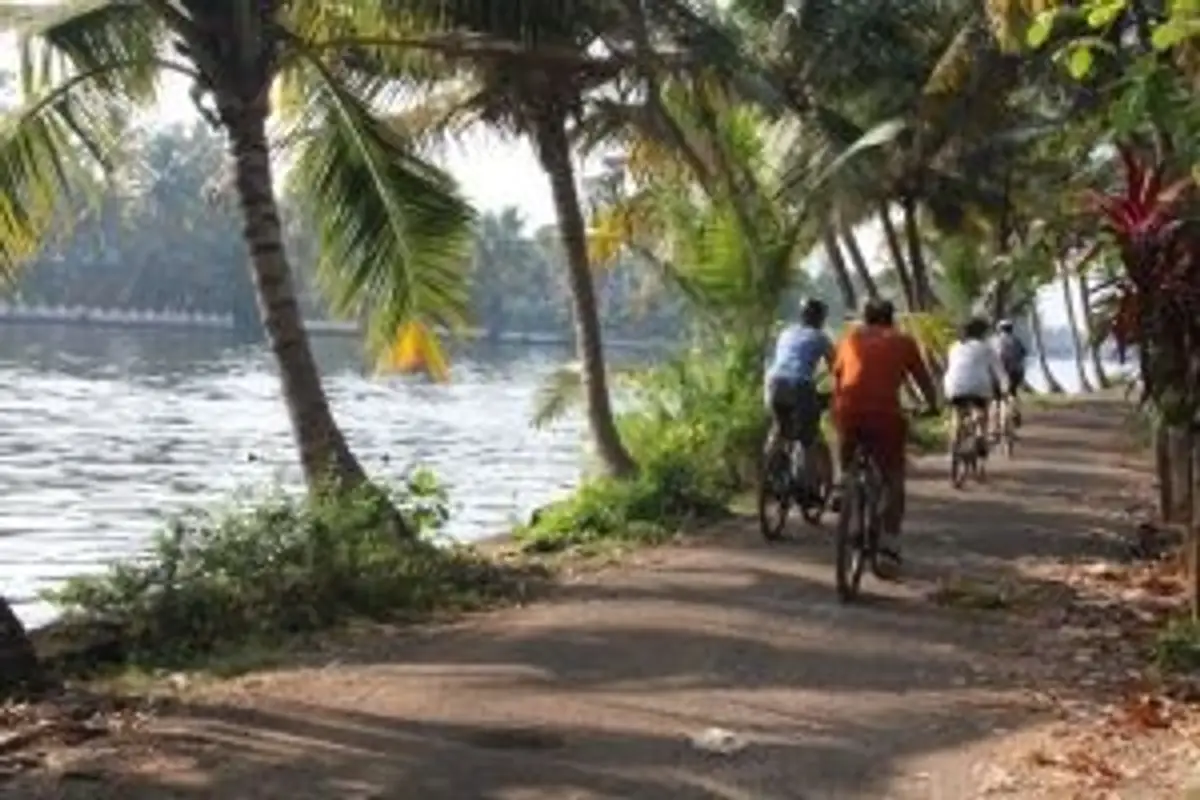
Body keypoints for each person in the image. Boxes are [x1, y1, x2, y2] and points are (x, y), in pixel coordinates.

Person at [831, 298, 938, 578]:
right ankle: (888, 545)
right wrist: (933, 406)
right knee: (893, 477)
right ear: (891, 320)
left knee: (845, 430)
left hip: (848, 413)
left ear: (864, 320)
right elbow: (924, 381)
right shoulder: (903, 342)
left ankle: (842, 482)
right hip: (885, 417)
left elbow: (839, 378)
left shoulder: (848, 340)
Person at [764, 298, 835, 492]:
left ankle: (769, 473)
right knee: (809, 438)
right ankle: (810, 487)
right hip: (799, 385)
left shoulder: (786, 333)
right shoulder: (820, 337)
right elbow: (837, 368)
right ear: (820, 318)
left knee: (779, 428)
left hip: (774, 383)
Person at [944, 317, 1009, 458]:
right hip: (979, 385)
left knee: (957, 413)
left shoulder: (953, 346)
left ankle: (953, 445)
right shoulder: (986, 348)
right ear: (981, 333)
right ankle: (980, 433)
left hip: (954, 385)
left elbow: (952, 367)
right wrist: (1005, 389)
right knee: (982, 410)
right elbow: (1000, 372)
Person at [992, 319, 1028, 427]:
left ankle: (995, 423)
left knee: (996, 398)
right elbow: (1023, 353)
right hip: (1015, 373)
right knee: (1013, 393)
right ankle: (1015, 410)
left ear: (999, 329)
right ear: (1011, 329)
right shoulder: (1016, 341)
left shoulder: (994, 341)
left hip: (998, 374)